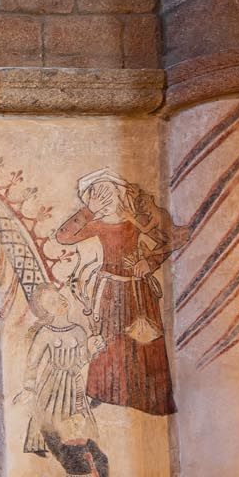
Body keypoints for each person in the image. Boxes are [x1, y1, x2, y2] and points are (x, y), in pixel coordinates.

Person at [54, 169, 177, 416]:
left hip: (138, 291)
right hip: (111, 290)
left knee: (142, 341)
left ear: (119, 194)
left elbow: (169, 240)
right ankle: (106, 392)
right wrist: (88, 211)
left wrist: (150, 262)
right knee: (110, 340)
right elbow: (63, 237)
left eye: (107, 193)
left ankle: (146, 397)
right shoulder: (98, 224)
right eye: (97, 194)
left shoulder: (135, 222)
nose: (103, 199)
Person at [17, 285, 97, 455]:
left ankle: (74, 449)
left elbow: (83, 358)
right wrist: (28, 388)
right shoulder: (45, 332)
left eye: (59, 296)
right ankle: (44, 445)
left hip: (74, 382)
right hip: (51, 381)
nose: (60, 301)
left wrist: (93, 350)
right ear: (46, 311)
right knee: (46, 414)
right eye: (52, 302)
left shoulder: (78, 331)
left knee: (76, 417)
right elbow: (32, 362)